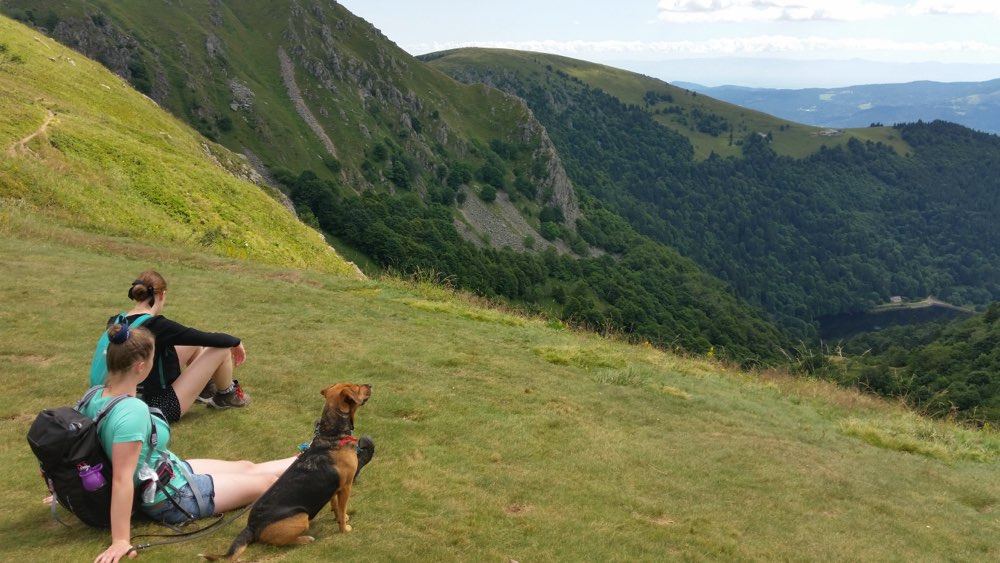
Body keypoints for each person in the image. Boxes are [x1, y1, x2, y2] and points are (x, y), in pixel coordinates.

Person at [86, 320, 295, 563]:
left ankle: (310, 456)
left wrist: (80, 485)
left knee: (246, 466)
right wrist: (120, 540)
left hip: (167, 468)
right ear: (141, 367)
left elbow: (85, 448)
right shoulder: (132, 413)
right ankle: (324, 473)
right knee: (267, 483)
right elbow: (123, 478)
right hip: (172, 496)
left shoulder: (95, 396)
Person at [104, 271, 250, 422]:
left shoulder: (117, 323)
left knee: (190, 344)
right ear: (161, 295)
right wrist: (235, 341)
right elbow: (206, 338)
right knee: (222, 349)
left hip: (128, 394)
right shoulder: (156, 325)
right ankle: (227, 395)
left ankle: (205, 389)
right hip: (159, 407)